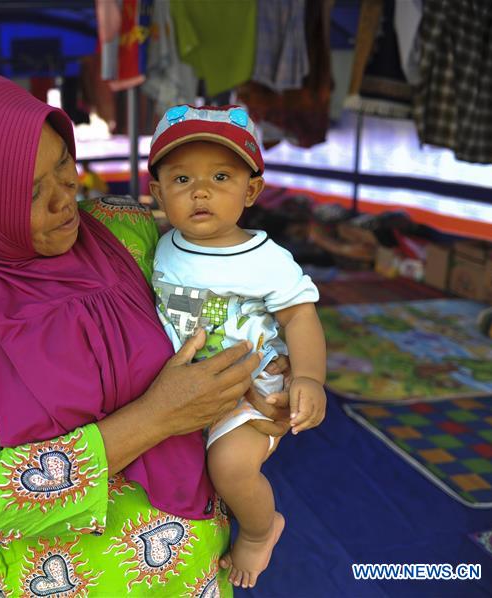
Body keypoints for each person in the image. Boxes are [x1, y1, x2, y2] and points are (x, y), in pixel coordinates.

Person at [0, 72, 292, 596]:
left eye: (64, 167)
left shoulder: (125, 228)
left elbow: (219, 316)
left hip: (199, 575)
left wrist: (260, 378)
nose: (64, 200)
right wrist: (155, 417)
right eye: (31, 192)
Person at [148, 104, 327, 589]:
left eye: (221, 176)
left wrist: (309, 377)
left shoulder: (267, 259)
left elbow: (299, 315)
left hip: (252, 391)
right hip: (187, 391)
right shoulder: (161, 245)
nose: (200, 190)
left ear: (251, 190)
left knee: (229, 467)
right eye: (181, 180)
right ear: (157, 192)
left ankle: (260, 530)